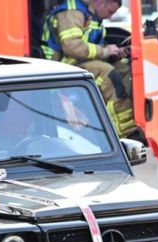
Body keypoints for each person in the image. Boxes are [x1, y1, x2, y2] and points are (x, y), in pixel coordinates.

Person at [40, 0, 137, 139]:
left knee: (124, 68)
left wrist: (114, 53)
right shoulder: (72, 12)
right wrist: (104, 52)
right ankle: (125, 133)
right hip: (60, 65)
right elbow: (72, 47)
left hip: (79, 62)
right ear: (99, 3)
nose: (110, 17)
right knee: (108, 73)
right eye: (110, 12)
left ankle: (128, 119)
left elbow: (90, 45)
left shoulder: (91, 15)